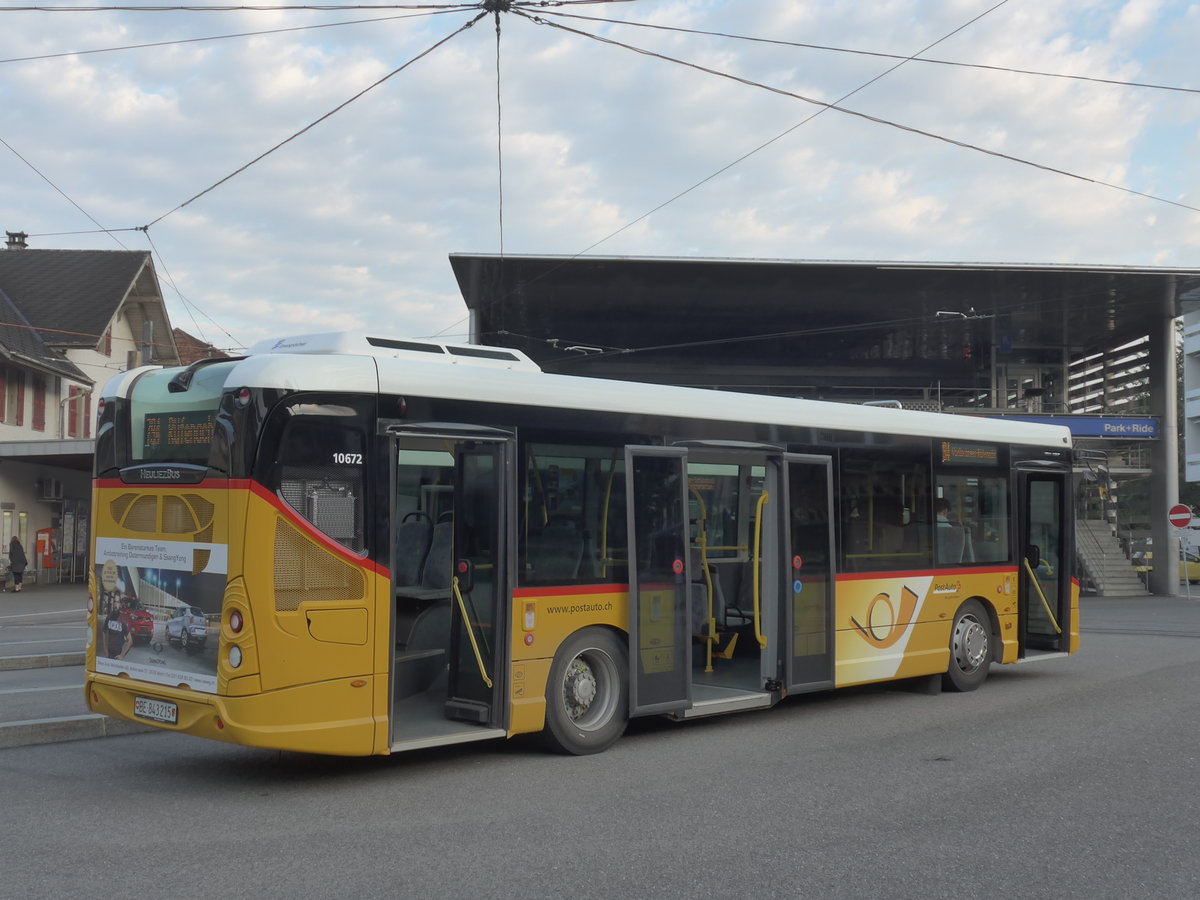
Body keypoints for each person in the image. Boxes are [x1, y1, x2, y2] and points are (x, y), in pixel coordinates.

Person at [103, 595, 132, 660]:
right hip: (109, 655)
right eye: (114, 602)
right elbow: (104, 631)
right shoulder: (109, 617)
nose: (116, 604)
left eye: (117, 602)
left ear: (120, 604)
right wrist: (105, 648)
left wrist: (122, 655)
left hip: (117, 656)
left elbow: (130, 640)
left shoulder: (122, 619)